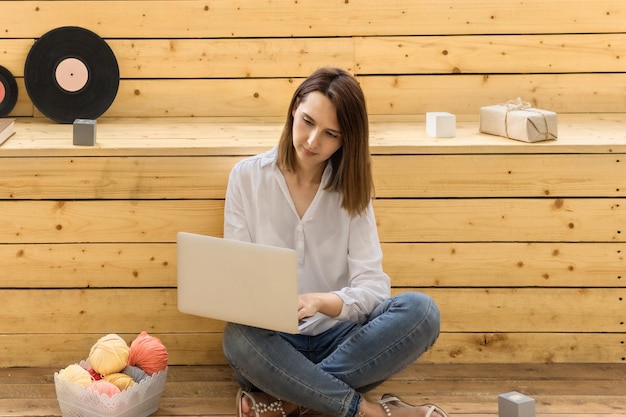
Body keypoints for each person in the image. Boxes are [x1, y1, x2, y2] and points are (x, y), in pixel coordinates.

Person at [222, 66, 447, 417]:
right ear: (295, 107)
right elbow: (235, 280)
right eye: (308, 122)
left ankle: (290, 400)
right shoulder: (246, 177)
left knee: (422, 313)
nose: (313, 142)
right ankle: (364, 410)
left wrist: (321, 302)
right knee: (238, 336)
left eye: (331, 134)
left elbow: (373, 288)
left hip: (342, 340)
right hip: (273, 345)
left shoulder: (352, 190)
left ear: (345, 141)